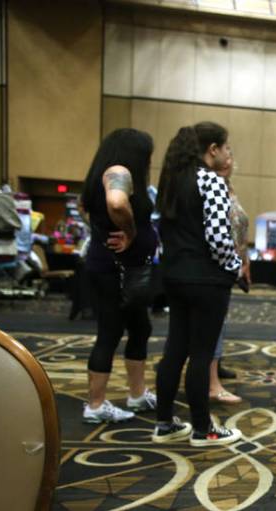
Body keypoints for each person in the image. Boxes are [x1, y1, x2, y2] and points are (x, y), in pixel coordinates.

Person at [150, 121, 243, 447]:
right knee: (201, 354)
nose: (228, 154)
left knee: (174, 349)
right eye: (226, 147)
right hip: (206, 279)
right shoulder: (211, 181)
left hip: (174, 275)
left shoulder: (171, 181)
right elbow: (219, 238)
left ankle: (165, 423)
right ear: (213, 149)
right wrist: (234, 267)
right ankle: (204, 429)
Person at [80, 128, 158, 423]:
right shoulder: (118, 171)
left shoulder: (99, 173)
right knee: (110, 332)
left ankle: (137, 394)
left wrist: (101, 232)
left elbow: (84, 207)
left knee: (140, 328)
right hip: (115, 269)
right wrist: (130, 232)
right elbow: (116, 203)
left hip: (117, 266)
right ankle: (96, 404)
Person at [209, 156, 251, 405]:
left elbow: (239, 228)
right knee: (212, 323)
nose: (228, 160)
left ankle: (216, 365)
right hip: (217, 264)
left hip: (230, 263)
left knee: (219, 321)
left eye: (231, 156)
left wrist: (244, 261)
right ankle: (210, 380)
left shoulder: (229, 186)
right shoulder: (211, 185)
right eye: (223, 153)